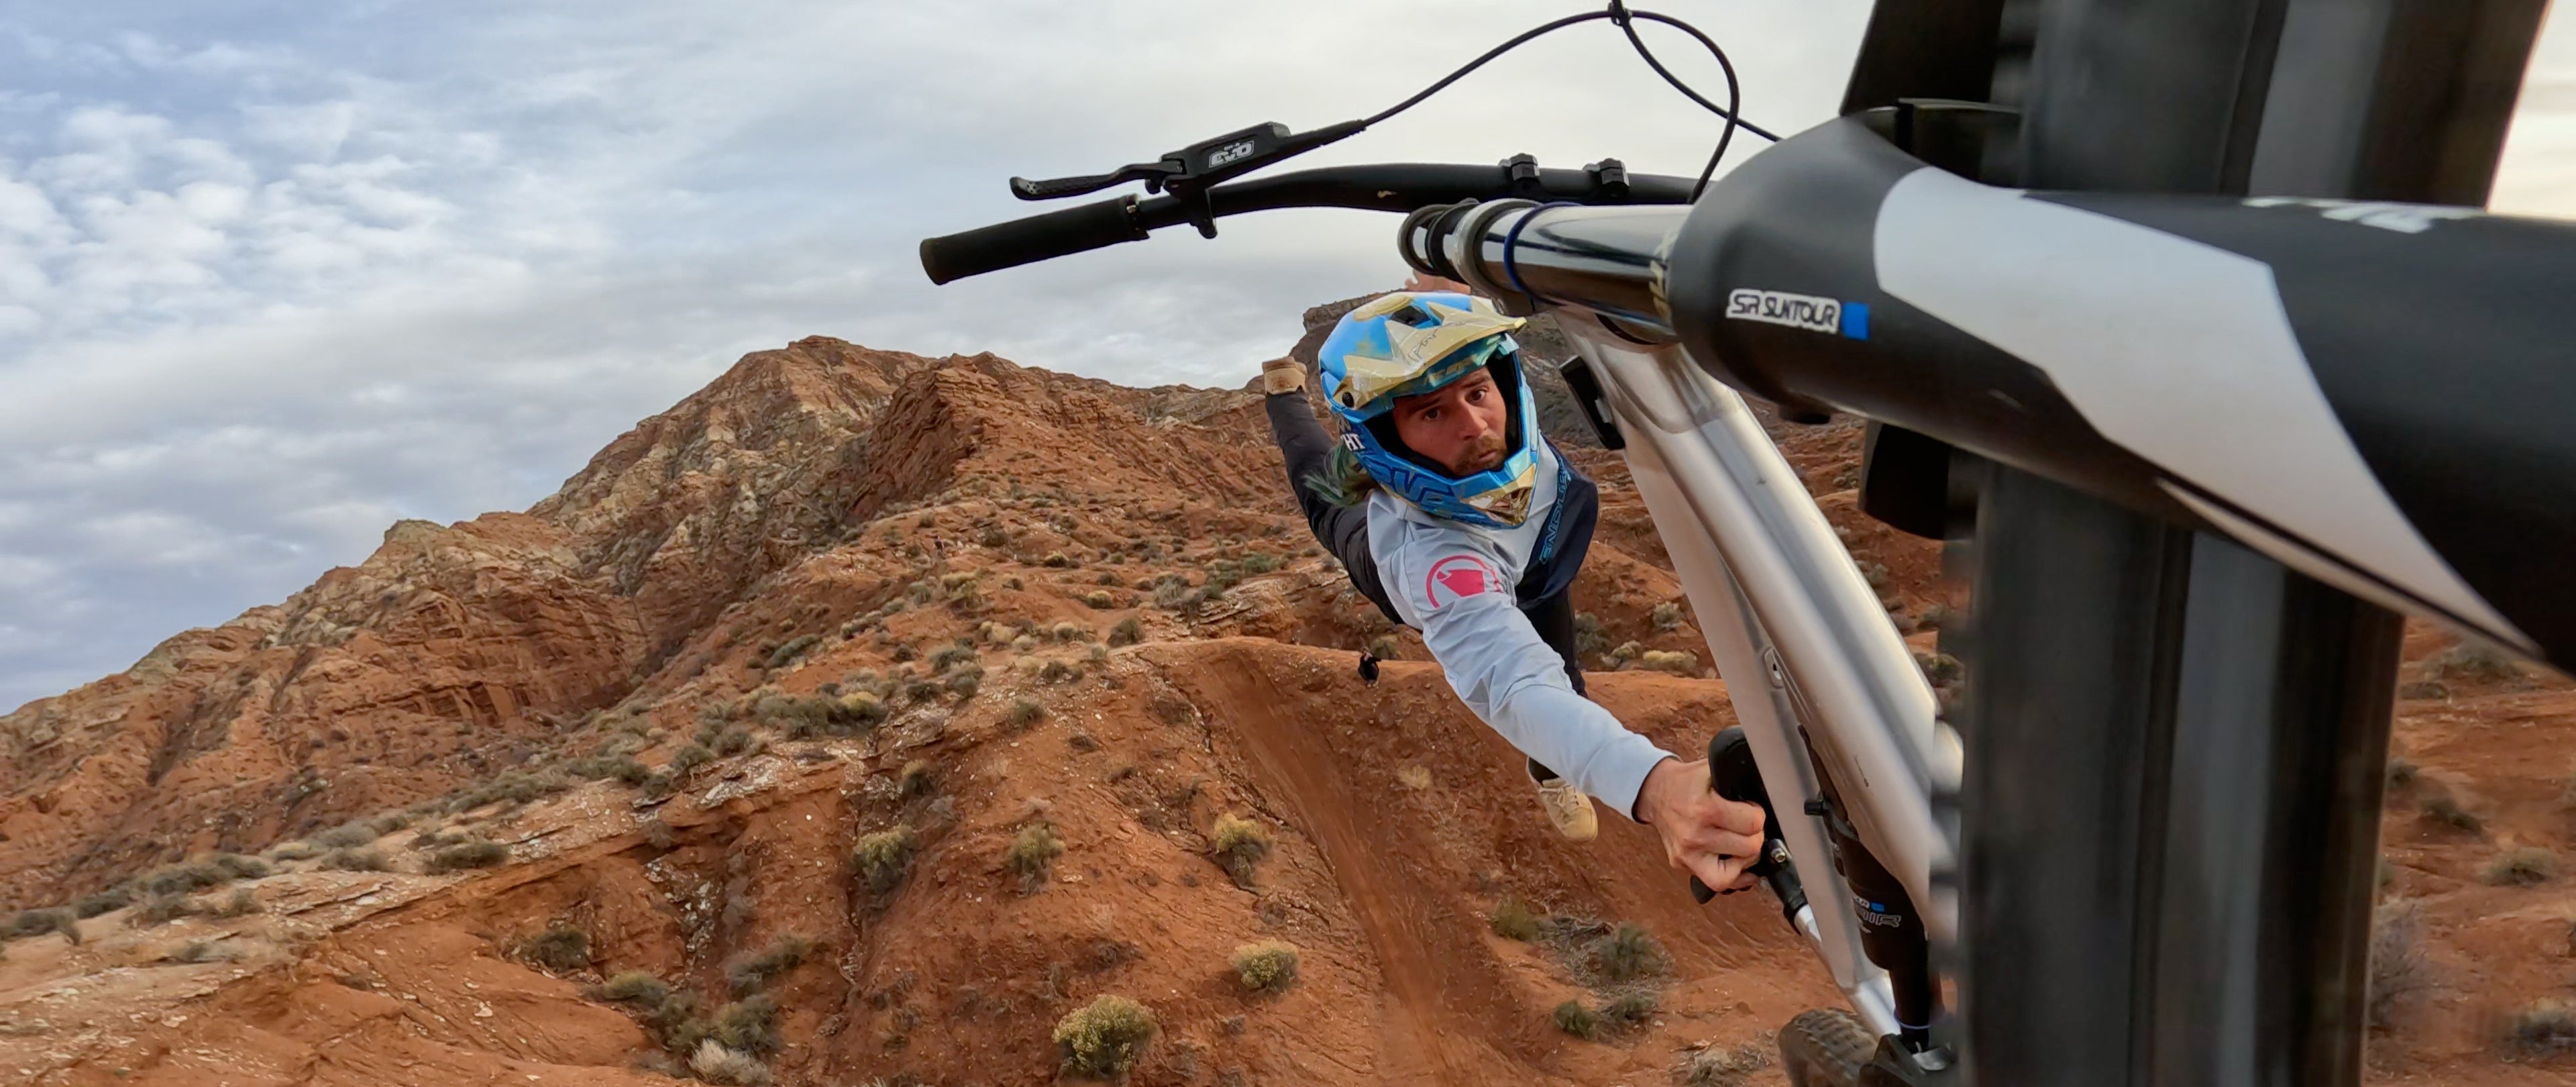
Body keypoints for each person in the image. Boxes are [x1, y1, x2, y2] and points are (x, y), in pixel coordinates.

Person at [1259, 286, 1768, 894]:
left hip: (1535, 558)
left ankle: (1551, 761)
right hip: (1405, 556)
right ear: (1388, 441)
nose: (1474, 425)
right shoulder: (1433, 562)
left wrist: (1446, 282)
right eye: (1431, 413)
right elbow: (1514, 683)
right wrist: (1652, 786)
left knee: (1564, 667)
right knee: (1322, 492)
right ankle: (1284, 394)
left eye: (1476, 393)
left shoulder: (1506, 436)